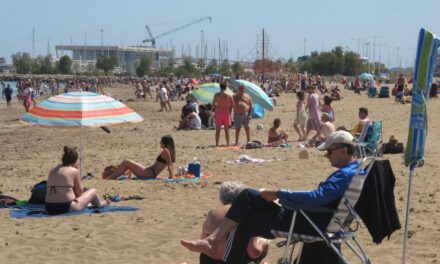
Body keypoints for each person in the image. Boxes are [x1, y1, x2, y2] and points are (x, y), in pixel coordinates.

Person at [181, 131, 360, 263]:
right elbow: (320, 198)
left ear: (344, 151)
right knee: (245, 213)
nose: (327, 156)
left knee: (247, 197)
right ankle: (214, 242)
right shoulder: (356, 171)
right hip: (321, 219)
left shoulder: (344, 175)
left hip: (310, 222)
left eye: (330, 151)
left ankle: (213, 241)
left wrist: (279, 193)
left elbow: (316, 197)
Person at [192, 181, 269, 263]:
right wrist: (263, 244)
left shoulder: (212, 213)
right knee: (262, 246)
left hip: (208, 260)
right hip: (231, 260)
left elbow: (203, 241)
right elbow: (254, 252)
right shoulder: (246, 214)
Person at [45, 146, 109, 215]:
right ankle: (101, 204)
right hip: (67, 207)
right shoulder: (74, 171)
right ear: (75, 161)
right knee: (93, 191)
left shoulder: (52, 169)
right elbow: (79, 193)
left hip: (49, 208)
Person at [104, 135, 175, 179]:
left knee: (126, 162)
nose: (160, 143)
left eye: (161, 142)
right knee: (133, 163)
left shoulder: (166, 150)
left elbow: (170, 164)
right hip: (150, 172)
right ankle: (118, 173)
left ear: (164, 143)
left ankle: (110, 178)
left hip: (149, 174)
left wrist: (171, 176)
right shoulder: (168, 151)